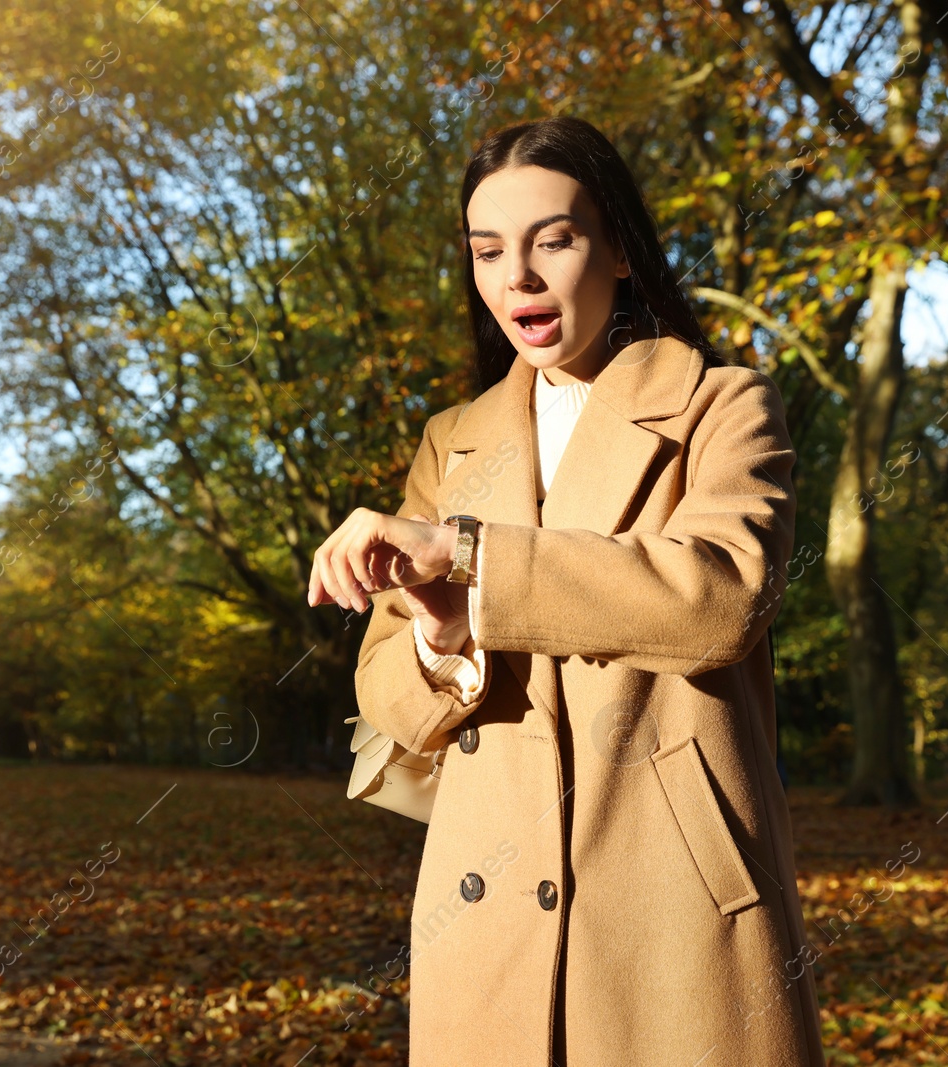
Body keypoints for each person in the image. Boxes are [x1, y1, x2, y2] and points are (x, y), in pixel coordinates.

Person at [306, 116, 825, 1067]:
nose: (520, 279)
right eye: (490, 250)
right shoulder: (449, 440)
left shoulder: (725, 404)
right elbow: (383, 690)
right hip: (483, 917)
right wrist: (442, 641)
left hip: (675, 913)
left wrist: (472, 559)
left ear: (620, 248)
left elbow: (720, 599)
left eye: (555, 239)